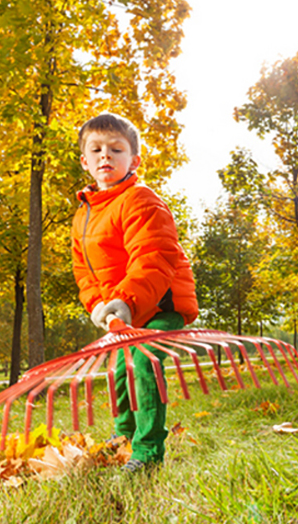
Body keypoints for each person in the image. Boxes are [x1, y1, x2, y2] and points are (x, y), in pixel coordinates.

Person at [71, 112, 199, 472]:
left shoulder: (141, 200)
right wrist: (98, 304)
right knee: (118, 370)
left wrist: (126, 301)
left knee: (142, 362)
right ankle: (122, 439)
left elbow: (153, 257)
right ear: (85, 161)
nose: (105, 156)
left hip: (159, 304)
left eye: (116, 149)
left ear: (134, 160)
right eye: (95, 150)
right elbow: (85, 271)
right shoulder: (84, 216)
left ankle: (146, 453)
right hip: (121, 311)